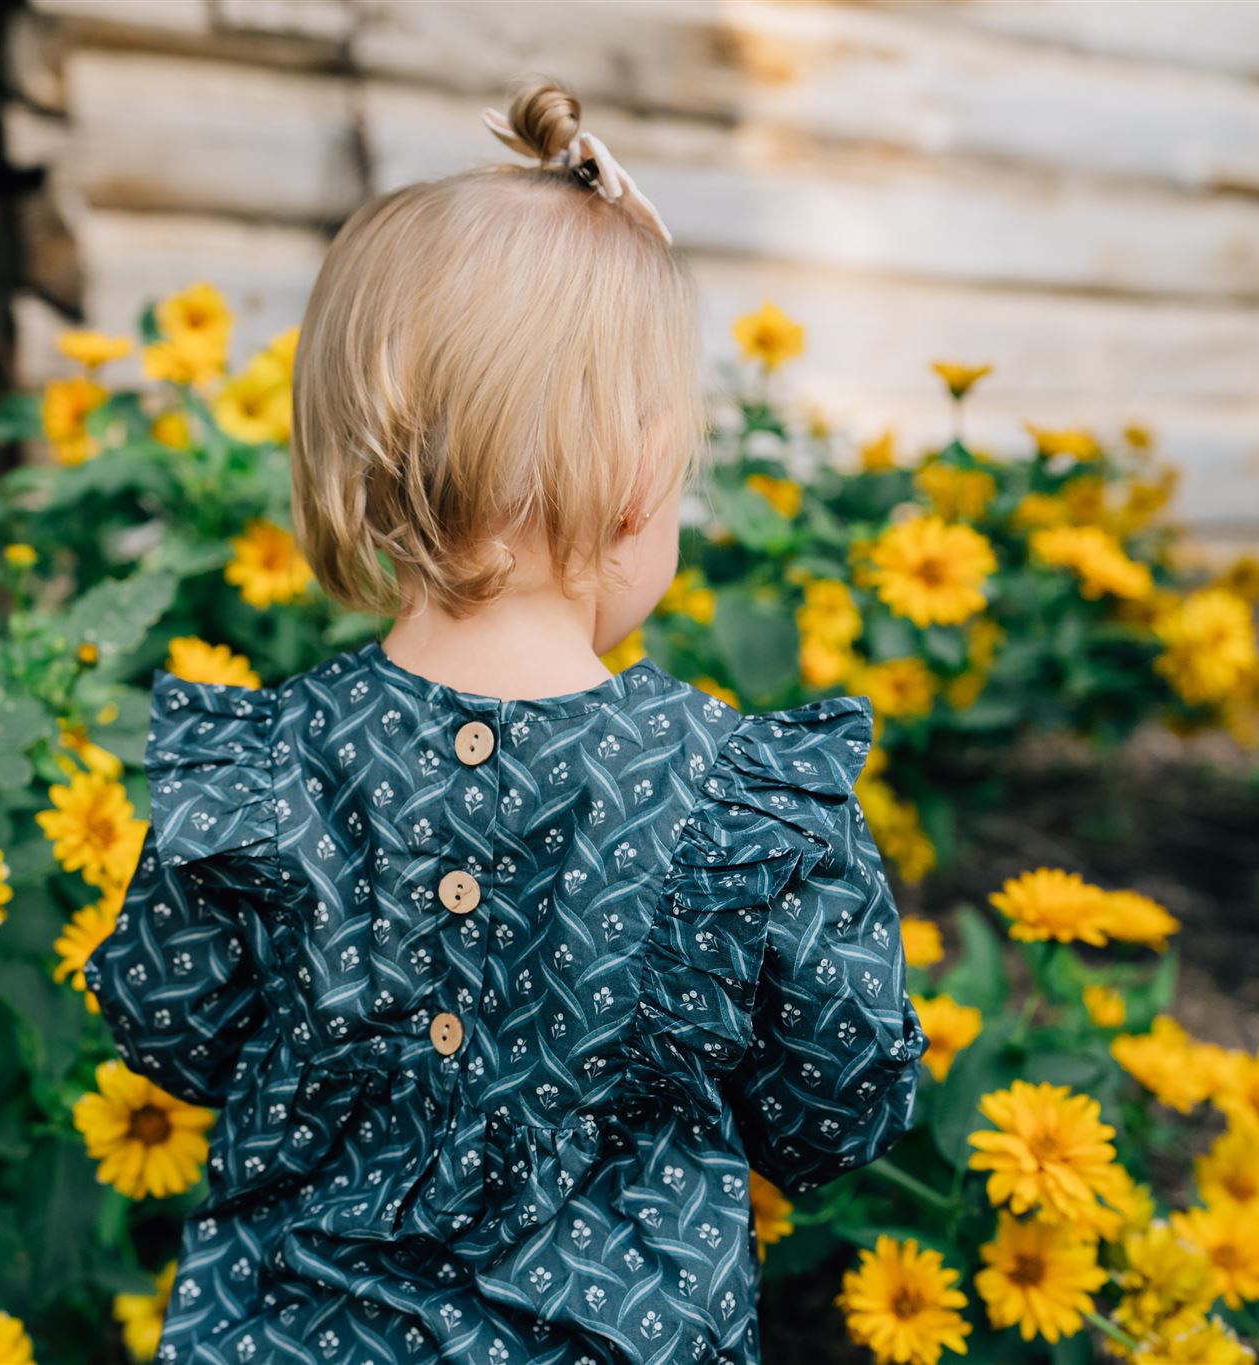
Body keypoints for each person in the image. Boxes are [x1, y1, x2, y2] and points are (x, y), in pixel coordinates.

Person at [88, 80, 925, 1365]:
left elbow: (171, 1022)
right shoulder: (734, 802)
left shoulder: (269, 766)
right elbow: (840, 1098)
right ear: (646, 471)